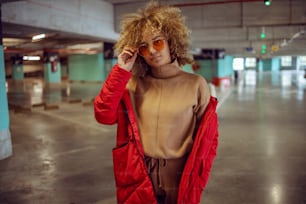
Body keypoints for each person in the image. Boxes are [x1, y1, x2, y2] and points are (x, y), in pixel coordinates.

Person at [94, 1, 219, 204]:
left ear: (171, 42)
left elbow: (209, 139)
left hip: (181, 175)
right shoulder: (133, 85)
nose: (152, 50)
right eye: (143, 47)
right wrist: (121, 71)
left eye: (158, 42)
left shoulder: (196, 84)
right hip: (140, 173)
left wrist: (199, 178)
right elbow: (103, 115)